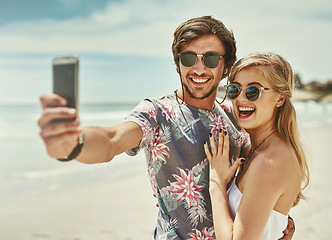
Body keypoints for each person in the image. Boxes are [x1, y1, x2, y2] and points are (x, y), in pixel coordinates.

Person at [37, 16, 294, 239]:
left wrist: (272, 229)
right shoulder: (157, 114)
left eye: (212, 58)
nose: (199, 68)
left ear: (225, 66)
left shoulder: (235, 117)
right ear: (177, 62)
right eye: (189, 57)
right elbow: (111, 140)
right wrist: (74, 143)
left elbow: (257, 185)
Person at [204, 52, 310, 240]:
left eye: (253, 91)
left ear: (280, 98)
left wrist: (216, 184)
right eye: (234, 90)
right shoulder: (252, 150)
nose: (241, 99)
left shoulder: (269, 161)